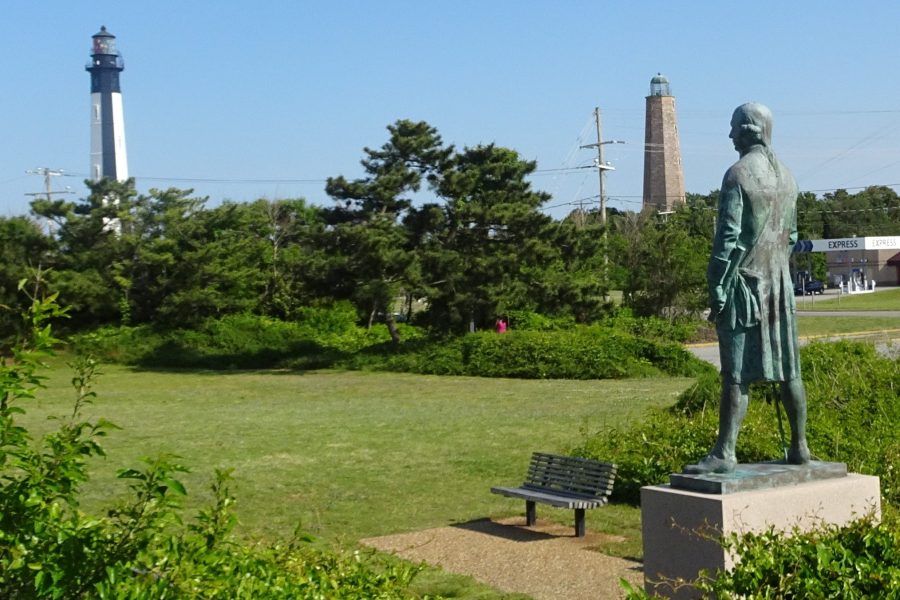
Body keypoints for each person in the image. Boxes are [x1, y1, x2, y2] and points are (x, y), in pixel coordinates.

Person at [685, 103, 811, 475]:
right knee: (790, 370)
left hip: (744, 287)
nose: (730, 137)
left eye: (734, 129)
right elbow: (793, 237)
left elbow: (727, 238)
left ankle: (725, 452)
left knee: (735, 374)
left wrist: (717, 286)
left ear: (751, 130)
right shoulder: (788, 177)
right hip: (780, 288)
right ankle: (799, 446)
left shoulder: (737, 175)